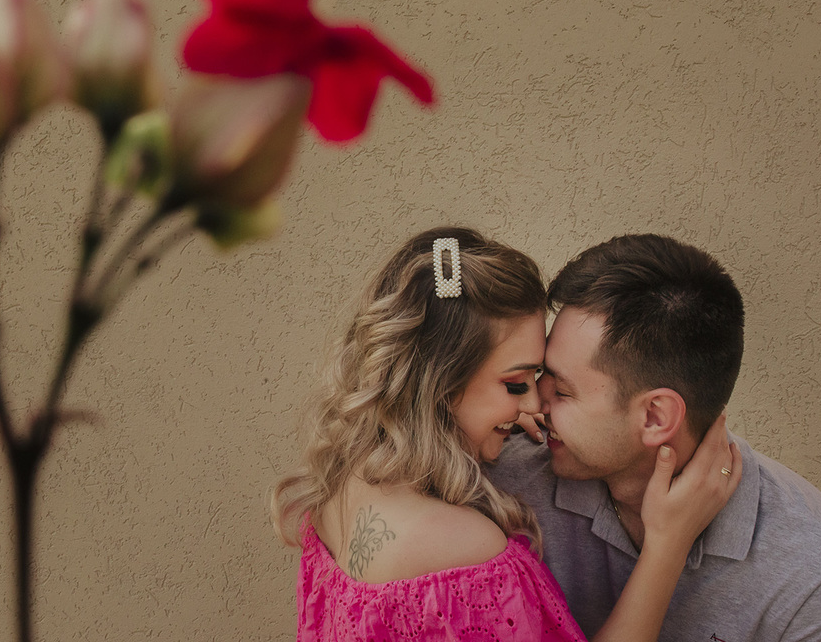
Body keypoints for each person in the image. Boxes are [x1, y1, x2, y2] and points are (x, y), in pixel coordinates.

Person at [272, 227, 740, 641]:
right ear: (443, 386)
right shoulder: (466, 552)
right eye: (516, 383)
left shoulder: (341, 486)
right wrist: (666, 546)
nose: (534, 405)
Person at [490, 233, 821, 641]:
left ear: (655, 417)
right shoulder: (504, 482)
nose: (533, 400)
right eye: (540, 373)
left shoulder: (817, 576)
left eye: (561, 388)